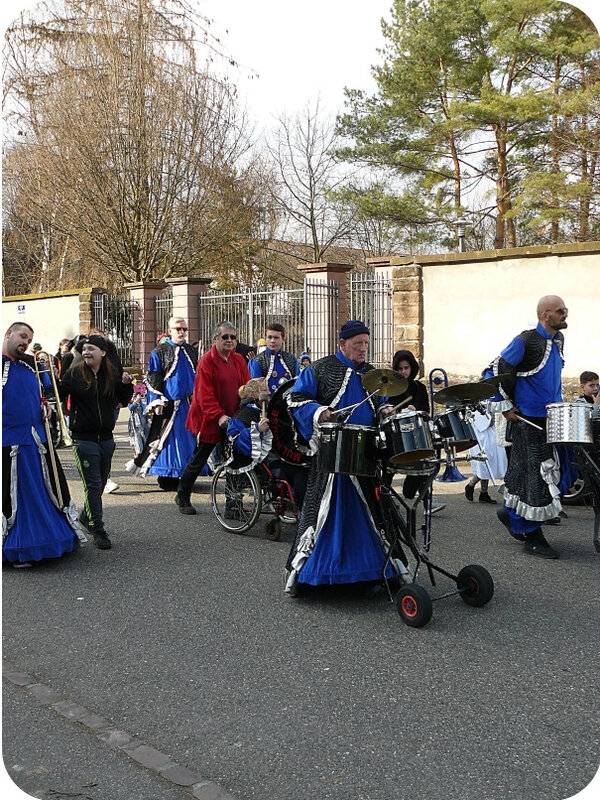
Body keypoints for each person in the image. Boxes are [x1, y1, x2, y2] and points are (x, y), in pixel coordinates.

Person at [284, 320, 402, 594]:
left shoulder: (372, 373)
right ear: (342, 344)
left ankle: (374, 571)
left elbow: (380, 400)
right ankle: (317, 575)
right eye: (357, 344)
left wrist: (385, 410)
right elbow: (295, 398)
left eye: (366, 343)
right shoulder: (320, 369)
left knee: (372, 513)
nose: (363, 349)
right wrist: (317, 411)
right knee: (324, 511)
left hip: (365, 454)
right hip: (331, 456)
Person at [489, 295, 568, 558]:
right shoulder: (525, 340)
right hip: (527, 421)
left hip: (552, 418)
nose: (565, 314)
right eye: (560, 310)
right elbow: (494, 369)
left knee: (547, 472)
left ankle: (512, 514)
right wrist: (504, 405)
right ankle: (531, 536)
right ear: (545, 314)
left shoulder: (558, 340)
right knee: (533, 477)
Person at [2, 321, 86, 567]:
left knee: (47, 491)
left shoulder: (30, 365)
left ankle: (50, 538)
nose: (25, 342)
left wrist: (45, 406)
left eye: (28, 339)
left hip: (37, 440)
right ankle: (16, 546)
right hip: (9, 442)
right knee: (15, 497)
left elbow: (40, 393)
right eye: (22, 336)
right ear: (9, 334)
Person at [60, 335, 133, 549]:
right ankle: (97, 528)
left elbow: (123, 400)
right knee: (92, 485)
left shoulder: (110, 374)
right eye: (84, 349)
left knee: (100, 484)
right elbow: (59, 392)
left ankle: (86, 516)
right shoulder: (75, 373)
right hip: (84, 439)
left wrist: (126, 385)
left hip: (107, 439)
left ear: (102, 352)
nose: (86, 352)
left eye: (91, 349)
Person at [175, 321, 250, 515]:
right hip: (208, 418)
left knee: (234, 459)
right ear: (215, 339)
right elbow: (203, 395)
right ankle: (182, 495)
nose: (229, 340)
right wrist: (219, 416)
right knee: (199, 458)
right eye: (225, 337)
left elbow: (246, 387)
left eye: (233, 337)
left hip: (232, 418)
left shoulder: (239, 360)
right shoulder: (206, 361)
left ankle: (233, 504)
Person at [125, 317, 198, 491]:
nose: (181, 332)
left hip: (188, 405)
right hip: (168, 406)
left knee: (189, 441)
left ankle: (187, 474)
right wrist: (156, 401)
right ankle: (167, 476)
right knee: (165, 442)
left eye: (184, 329)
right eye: (178, 329)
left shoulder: (191, 351)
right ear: (170, 330)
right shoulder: (159, 352)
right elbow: (153, 377)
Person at [387, 349, 445, 513]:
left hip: (417, 434)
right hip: (397, 435)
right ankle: (386, 498)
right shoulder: (390, 388)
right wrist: (394, 412)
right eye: (399, 369)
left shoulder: (419, 387)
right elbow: (386, 410)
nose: (403, 372)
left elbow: (426, 411)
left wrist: (415, 409)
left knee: (428, 463)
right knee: (388, 465)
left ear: (412, 367)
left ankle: (426, 502)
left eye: (406, 368)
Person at [464, 404, 508, 503]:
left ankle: (483, 493)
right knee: (485, 464)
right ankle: (471, 485)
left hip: (491, 432)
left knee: (490, 463)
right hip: (482, 434)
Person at [248, 323, 299, 394]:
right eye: (269, 337)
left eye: (276, 337)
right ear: (265, 338)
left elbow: (298, 383)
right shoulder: (257, 360)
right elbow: (256, 388)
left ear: (283, 339)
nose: (272, 341)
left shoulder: (292, 359)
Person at [127, 383, 150, 457]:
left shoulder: (147, 397)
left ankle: (147, 453)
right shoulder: (132, 397)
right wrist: (136, 401)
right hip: (135, 421)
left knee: (147, 437)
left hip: (146, 422)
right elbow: (130, 408)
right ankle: (138, 453)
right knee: (137, 438)